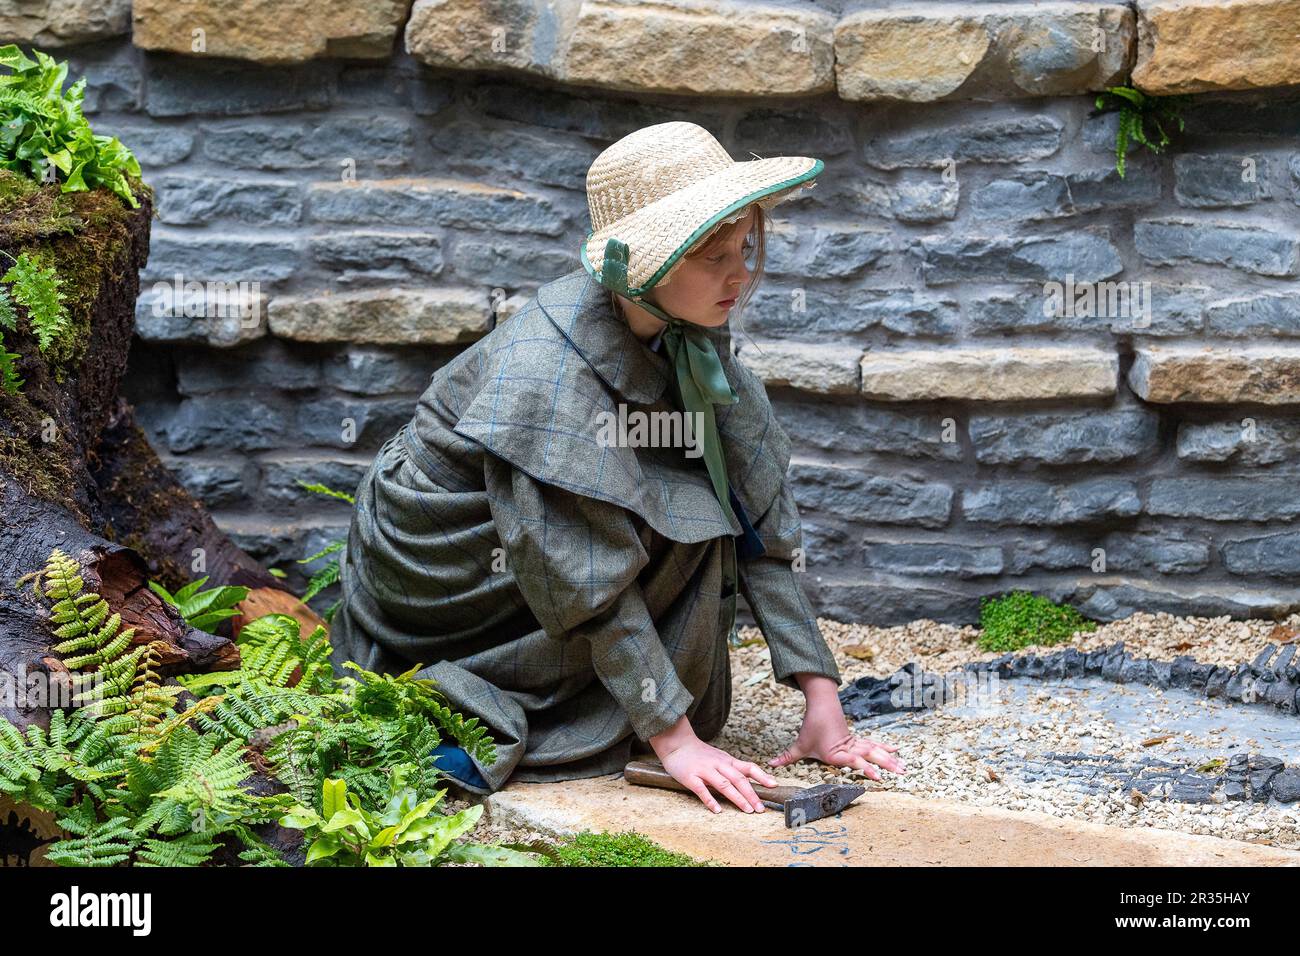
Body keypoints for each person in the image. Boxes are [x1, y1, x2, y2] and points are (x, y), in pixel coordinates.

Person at [328, 121, 905, 814]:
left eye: (745, 248)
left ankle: (621, 693)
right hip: (448, 576)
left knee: (701, 503)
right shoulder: (544, 377)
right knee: (681, 521)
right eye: (712, 255)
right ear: (643, 266)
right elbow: (579, 572)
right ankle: (541, 690)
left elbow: (756, 516)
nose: (740, 273)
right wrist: (676, 738)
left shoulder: (689, 342)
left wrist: (821, 700)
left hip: (541, 545)